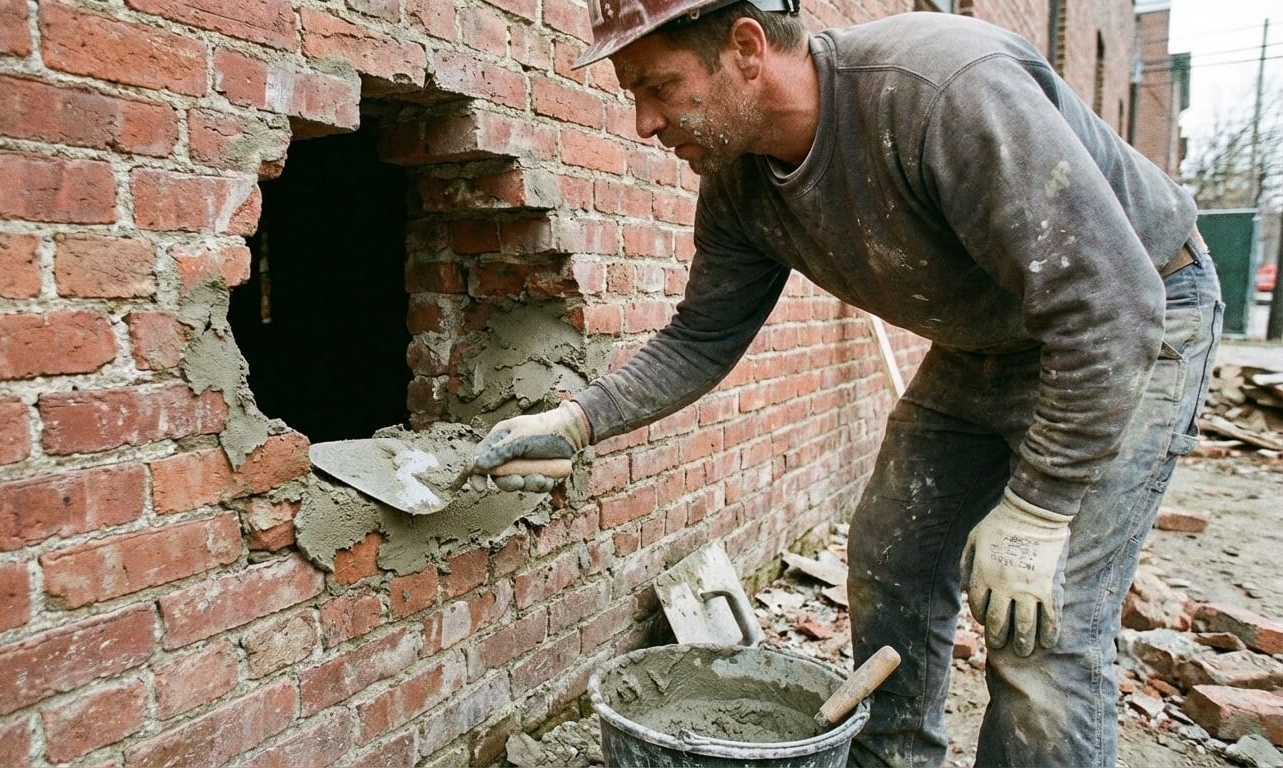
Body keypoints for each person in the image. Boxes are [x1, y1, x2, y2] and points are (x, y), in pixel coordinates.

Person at [472, 2, 1222, 765]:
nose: (644, 122)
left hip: (1137, 318)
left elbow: (1111, 306)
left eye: (658, 86)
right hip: (989, 340)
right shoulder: (739, 182)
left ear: (746, 47)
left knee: (1039, 629)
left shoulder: (940, 91)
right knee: (891, 557)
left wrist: (1037, 509)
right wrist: (576, 420)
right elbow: (702, 338)